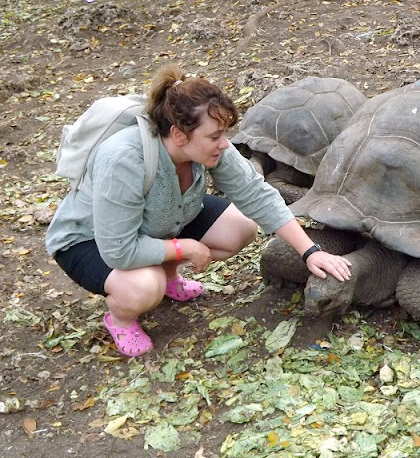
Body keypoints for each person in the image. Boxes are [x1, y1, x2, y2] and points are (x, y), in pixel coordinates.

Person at [45, 64, 352, 357]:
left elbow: (255, 193)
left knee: (241, 227)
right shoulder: (123, 160)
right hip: (92, 240)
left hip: (158, 221)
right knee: (144, 287)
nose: (224, 144)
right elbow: (119, 250)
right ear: (180, 134)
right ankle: (121, 319)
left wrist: (310, 252)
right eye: (214, 137)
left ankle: (165, 274)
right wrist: (185, 248)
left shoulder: (208, 147)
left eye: (224, 134)